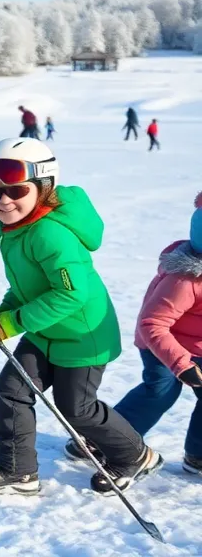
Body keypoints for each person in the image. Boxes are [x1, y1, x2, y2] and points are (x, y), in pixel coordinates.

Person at [0, 138, 158, 495]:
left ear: (44, 186)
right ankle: (17, 470)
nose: (4, 201)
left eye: (15, 190)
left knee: (77, 409)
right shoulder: (14, 228)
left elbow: (70, 294)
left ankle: (135, 455)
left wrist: (12, 322)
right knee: (10, 391)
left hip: (81, 335)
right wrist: (2, 313)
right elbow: (28, 287)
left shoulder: (50, 233)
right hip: (44, 330)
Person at [68, 192, 202, 476]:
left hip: (197, 345)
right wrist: (182, 365)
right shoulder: (185, 281)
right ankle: (99, 440)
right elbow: (153, 324)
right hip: (162, 343)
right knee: (160, 390)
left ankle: (198, 454)